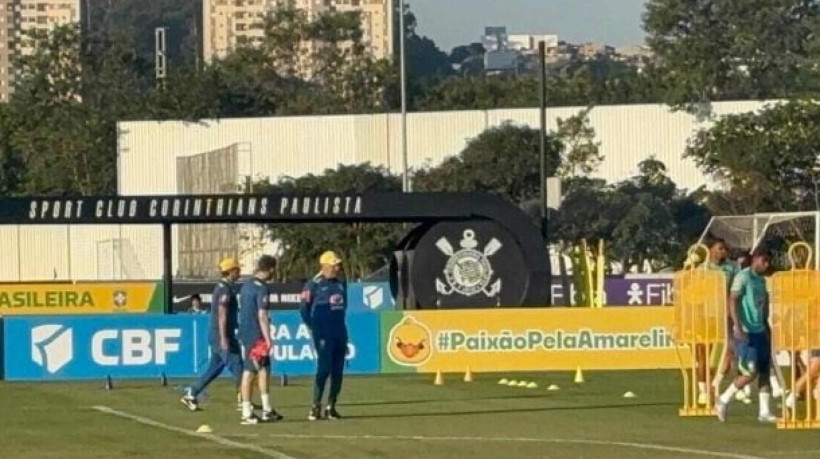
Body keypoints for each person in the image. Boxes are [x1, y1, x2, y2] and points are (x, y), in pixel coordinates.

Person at [716, 247, 778, 423]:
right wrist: (737, 324)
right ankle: (723, 399)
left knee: (765, 369)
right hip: (746, 331)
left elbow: (762, 307)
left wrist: (766, 327)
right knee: (750, 372)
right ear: (755, 259)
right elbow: (733, 299)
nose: (766, 265)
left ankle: (764, 412)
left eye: (768, 262)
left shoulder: (761, 281)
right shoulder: (743, 277)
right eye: (763, 261)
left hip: (759, 330)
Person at [181, 258, 243, 412]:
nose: (239, 273)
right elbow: (222, 314)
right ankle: (244, 401)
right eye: (237, 270)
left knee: (214, 369)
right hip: (222, 336)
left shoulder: (224, 287)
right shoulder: (225, 289)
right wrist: (223, 338)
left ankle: (192, 393)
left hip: (219, 335)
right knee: (238, 367)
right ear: (230, 271)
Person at [301, 251, 348, 421]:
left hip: (339, 331)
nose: (337, 268)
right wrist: (313, 327)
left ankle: (331, 406)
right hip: (322, 333)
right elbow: (304, 309)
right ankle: (315, 406)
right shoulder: (313, 284)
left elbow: (344, 306)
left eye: (338, 265)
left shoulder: (342, 282)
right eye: (334, 265)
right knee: (324, 368)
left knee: (338, 370)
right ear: (325, 266)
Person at [237, 255, 282, 425]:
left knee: (264, 369)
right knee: (250, 372)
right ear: (270, 269)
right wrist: (268, 339)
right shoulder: (262, 288)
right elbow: (262, 315)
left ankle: (266, 409)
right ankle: (247, 412)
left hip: (246, 331)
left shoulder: (246, 285)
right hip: (256, 335)